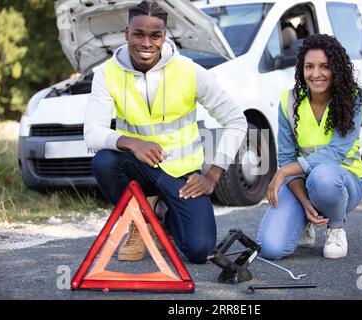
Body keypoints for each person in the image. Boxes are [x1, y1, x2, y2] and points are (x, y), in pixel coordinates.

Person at [84, 1, 247, 264]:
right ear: (126, 33)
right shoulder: (106, 73)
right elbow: (91, 132)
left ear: (164, 36)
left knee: (199, 251)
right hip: (138, 167)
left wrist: (213, 175)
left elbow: (236, 120)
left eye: (154, 35)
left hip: (181, 174)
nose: (146, 43)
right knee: (103, 161)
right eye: (138, 34)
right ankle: (139, 220)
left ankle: (161, 212)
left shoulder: (189, 71)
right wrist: (131, 142)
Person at [256, 34, 362, 260]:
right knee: (270, 248)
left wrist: (284, 171)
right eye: (309, 67)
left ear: (336, 68)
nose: (316, 74)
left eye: (325, 66)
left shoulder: (353, 98)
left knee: (323, 175)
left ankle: (335, 228)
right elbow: (287, 156)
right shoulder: (289, 101)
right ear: (301, 69)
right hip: (303, 185)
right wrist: (305, 202)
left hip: (344, 183)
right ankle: (306, 216)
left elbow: (335, 153)